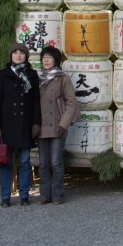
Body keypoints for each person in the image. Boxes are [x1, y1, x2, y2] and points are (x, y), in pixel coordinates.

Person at [0, 42, 40, 207]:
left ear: (26, 56)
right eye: (15, 53)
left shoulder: (32, 75)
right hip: (7, 125)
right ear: (11, 55)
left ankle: (24, 195)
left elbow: (36, 102)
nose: (18, 55)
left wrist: (36, 123)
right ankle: (5, 197)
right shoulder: (3, 75)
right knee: (6, 163)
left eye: (22, 53)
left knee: (25, 162)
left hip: (25, 125)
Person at [36, 46, 79, 205]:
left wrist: (64, 124)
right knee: (44, 162)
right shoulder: (37, 78)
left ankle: (58, 195)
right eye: (44, 57)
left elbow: (71, 102)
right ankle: (44, 195)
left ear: (56, 60)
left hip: (57, 126)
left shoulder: (63, 78)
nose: (46, 60)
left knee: (56, 162)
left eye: (49, 57)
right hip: (40, 126)